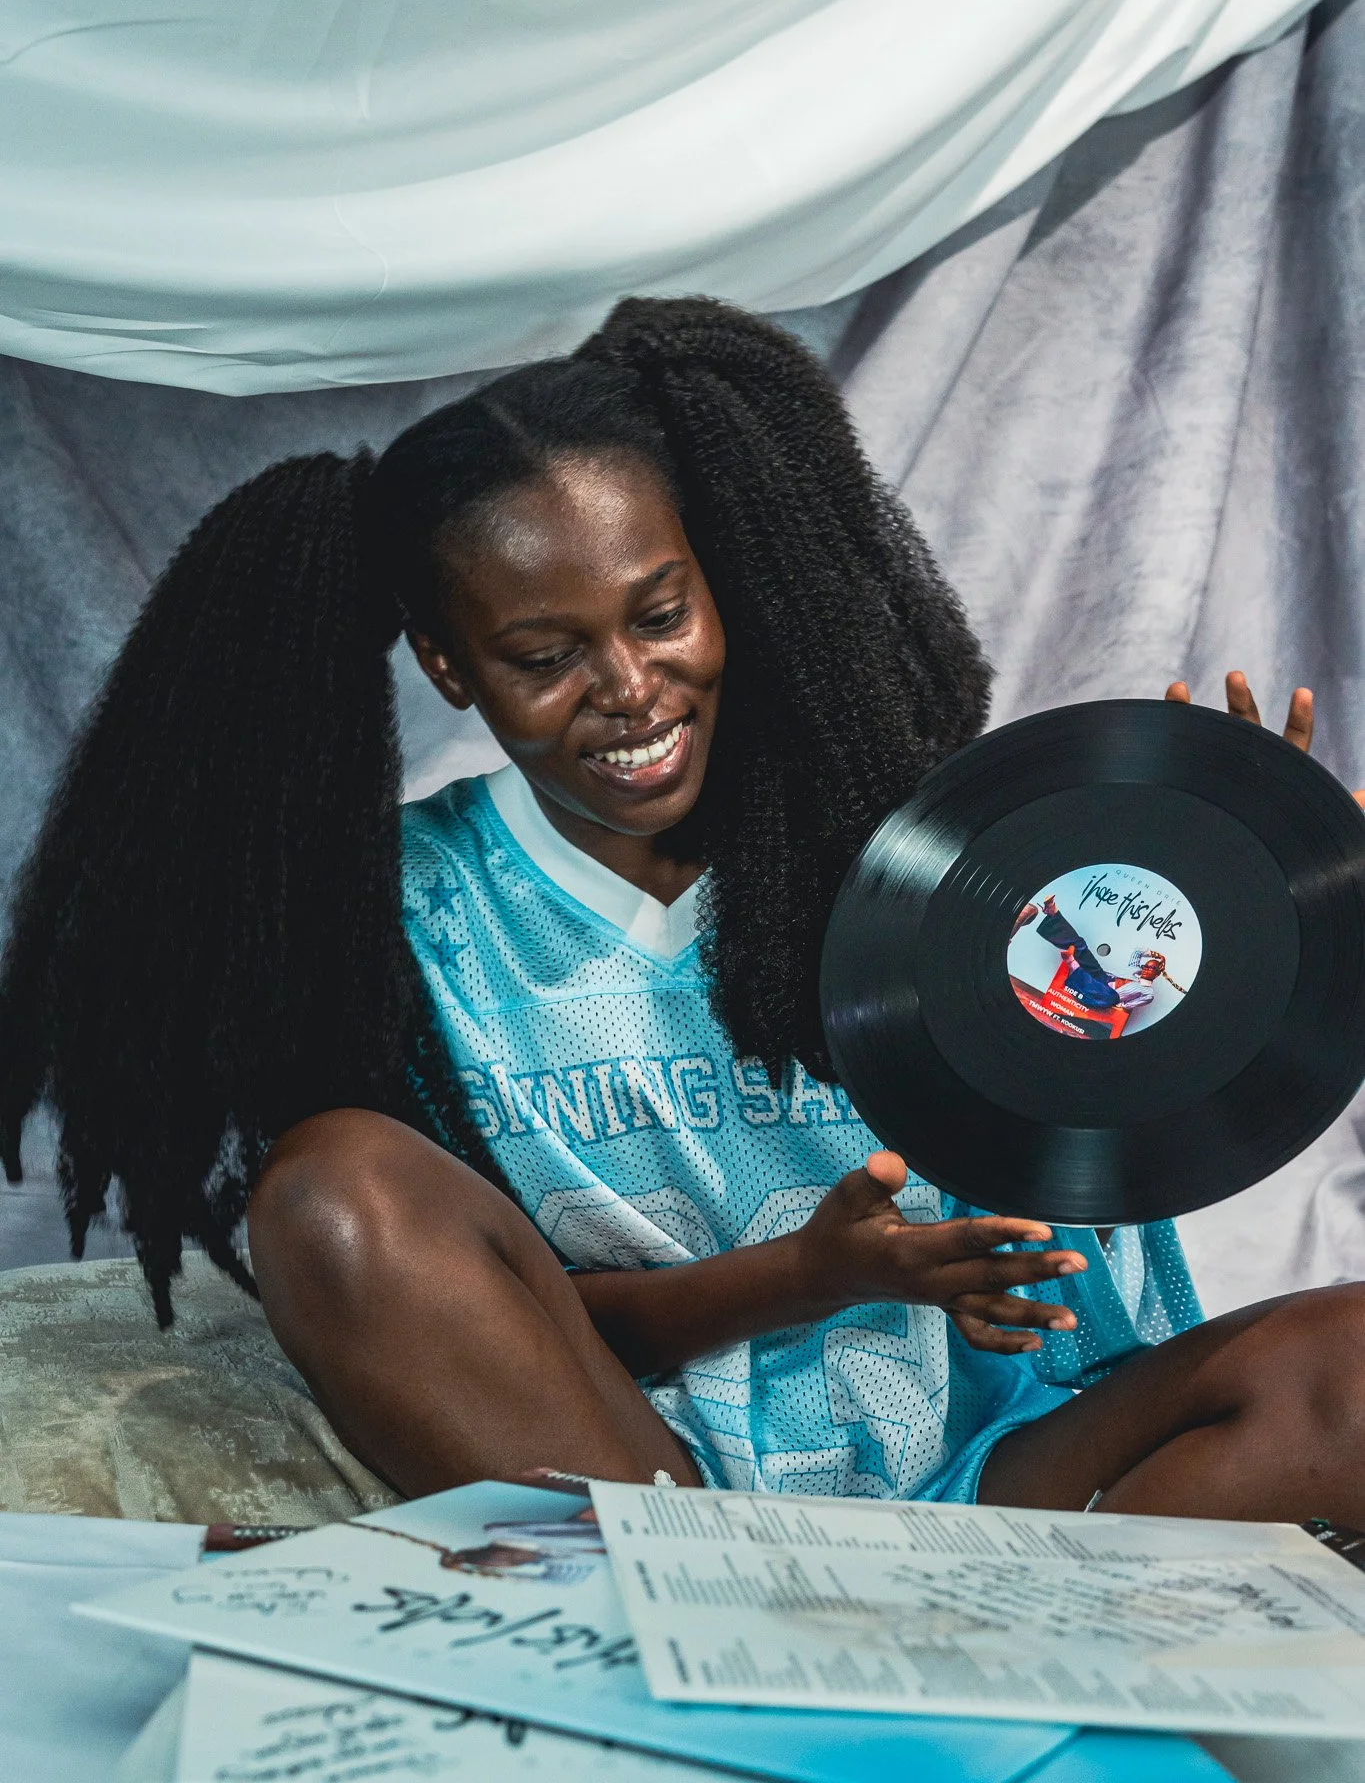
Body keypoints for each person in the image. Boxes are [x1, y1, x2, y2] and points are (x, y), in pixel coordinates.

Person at [2, 296, 1363, 1523]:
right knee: (331, 1192)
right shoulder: (404, 921)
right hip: (650, 1493)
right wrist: (812, 1274)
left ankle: (953, 1626)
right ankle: (729, 1635)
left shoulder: (915, 844)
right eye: (545, 654)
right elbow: (493, 1316)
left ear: (717, 583)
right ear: (449, 664)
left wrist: (1241, 903)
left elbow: (1119, 1126)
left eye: (658, 616)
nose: (629, 688)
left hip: (1006, 1471)